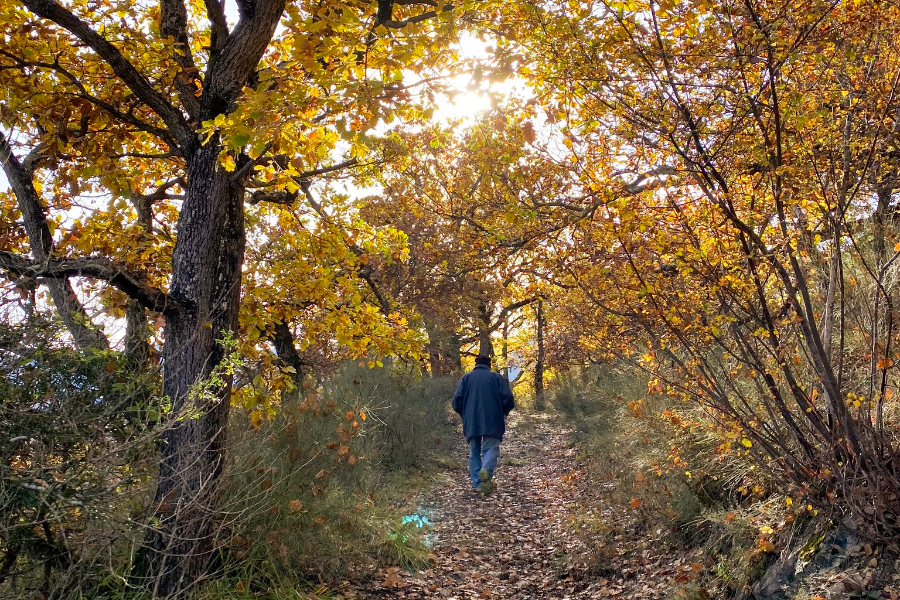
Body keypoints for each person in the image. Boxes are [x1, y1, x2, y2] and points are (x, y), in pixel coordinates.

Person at [452, 355, 515, 494]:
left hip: (472, 421)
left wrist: (465, 414)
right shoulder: (497, 378)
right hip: (493, 419)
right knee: (491, 448)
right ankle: (486, 471)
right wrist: (503, 411)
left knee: (474, 451)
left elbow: (457, 400)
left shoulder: (466, 378)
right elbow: (508, 398)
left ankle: (478, 483)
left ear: (476, 364)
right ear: (489, 364)